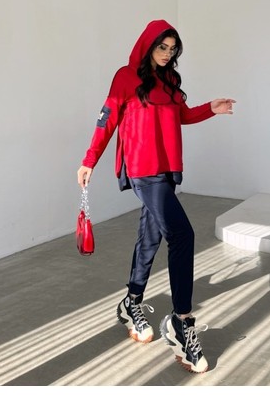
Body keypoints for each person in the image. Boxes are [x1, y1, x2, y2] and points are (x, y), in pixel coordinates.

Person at [77, 19, 236, 374]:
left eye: (172, 49)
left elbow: (180, 116)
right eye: (161, 47)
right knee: (182, 234)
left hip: (167, 169)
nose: (166, 54)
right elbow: (107, 120)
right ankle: (181, 322)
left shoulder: (171, 80)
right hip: (142, 169)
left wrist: (210, 109)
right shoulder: (125, 77)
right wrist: (89, 160)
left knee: (150, 236)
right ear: (148, 45)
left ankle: (131, 302)